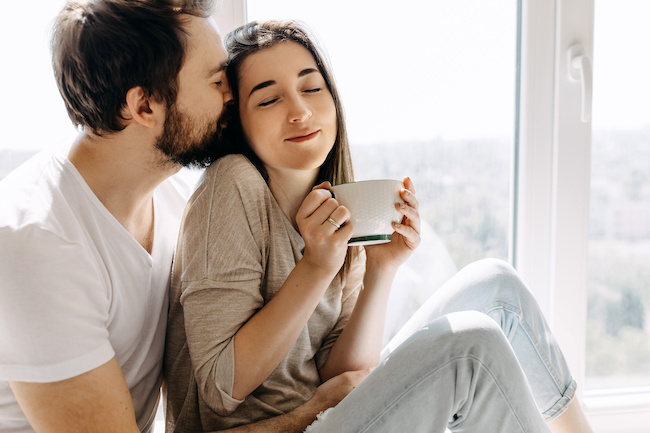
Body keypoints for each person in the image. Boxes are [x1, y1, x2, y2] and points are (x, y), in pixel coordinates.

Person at [164, 20, 594, 433]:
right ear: (237, 119)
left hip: (327, 416)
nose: (299, 110)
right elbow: (222, 389)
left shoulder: (338, 207)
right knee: (471, 347)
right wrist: (315, 267)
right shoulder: (232, 182)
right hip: (278, 427)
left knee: (496, 286)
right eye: (268, 99)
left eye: (312, 88)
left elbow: (345, 375)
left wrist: (380, 270)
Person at [0, 3, 359, 433]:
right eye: (216, 80)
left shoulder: (170, 195)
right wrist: (316, 414)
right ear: (145, 105)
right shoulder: (39, 246)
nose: (231, 94)